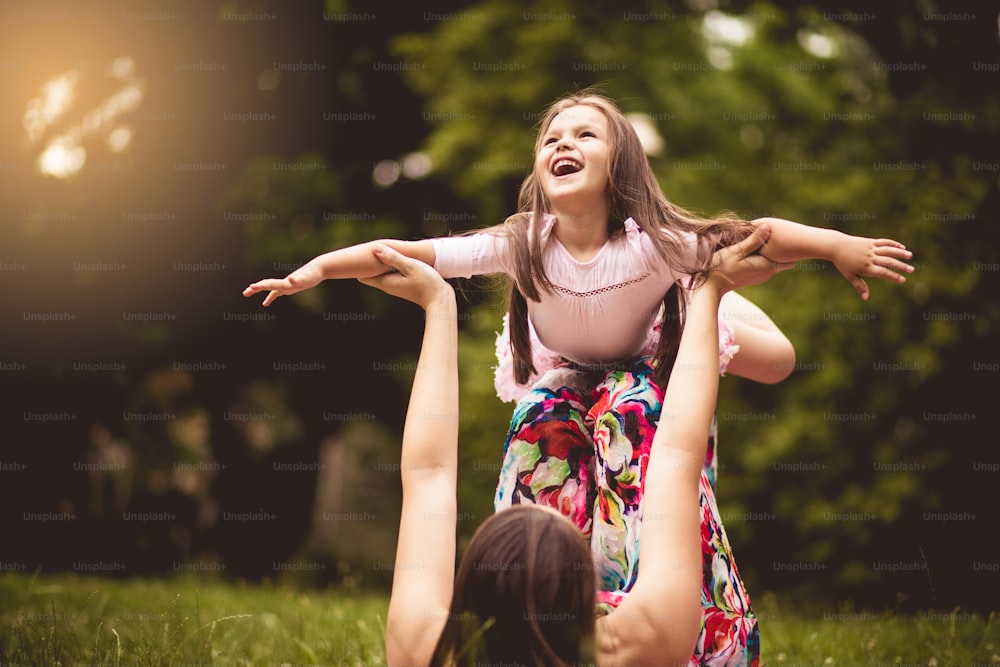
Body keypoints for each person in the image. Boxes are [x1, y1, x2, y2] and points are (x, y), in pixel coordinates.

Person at [362, 225, 790, 667]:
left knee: (545, 415)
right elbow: (677, 454)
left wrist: (438, 304)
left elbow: (428, 472)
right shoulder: (637, 644)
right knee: (634, 412)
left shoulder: (437, 653)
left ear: (473, 590)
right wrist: (705, 287)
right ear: (587, 594)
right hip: (696, 640)